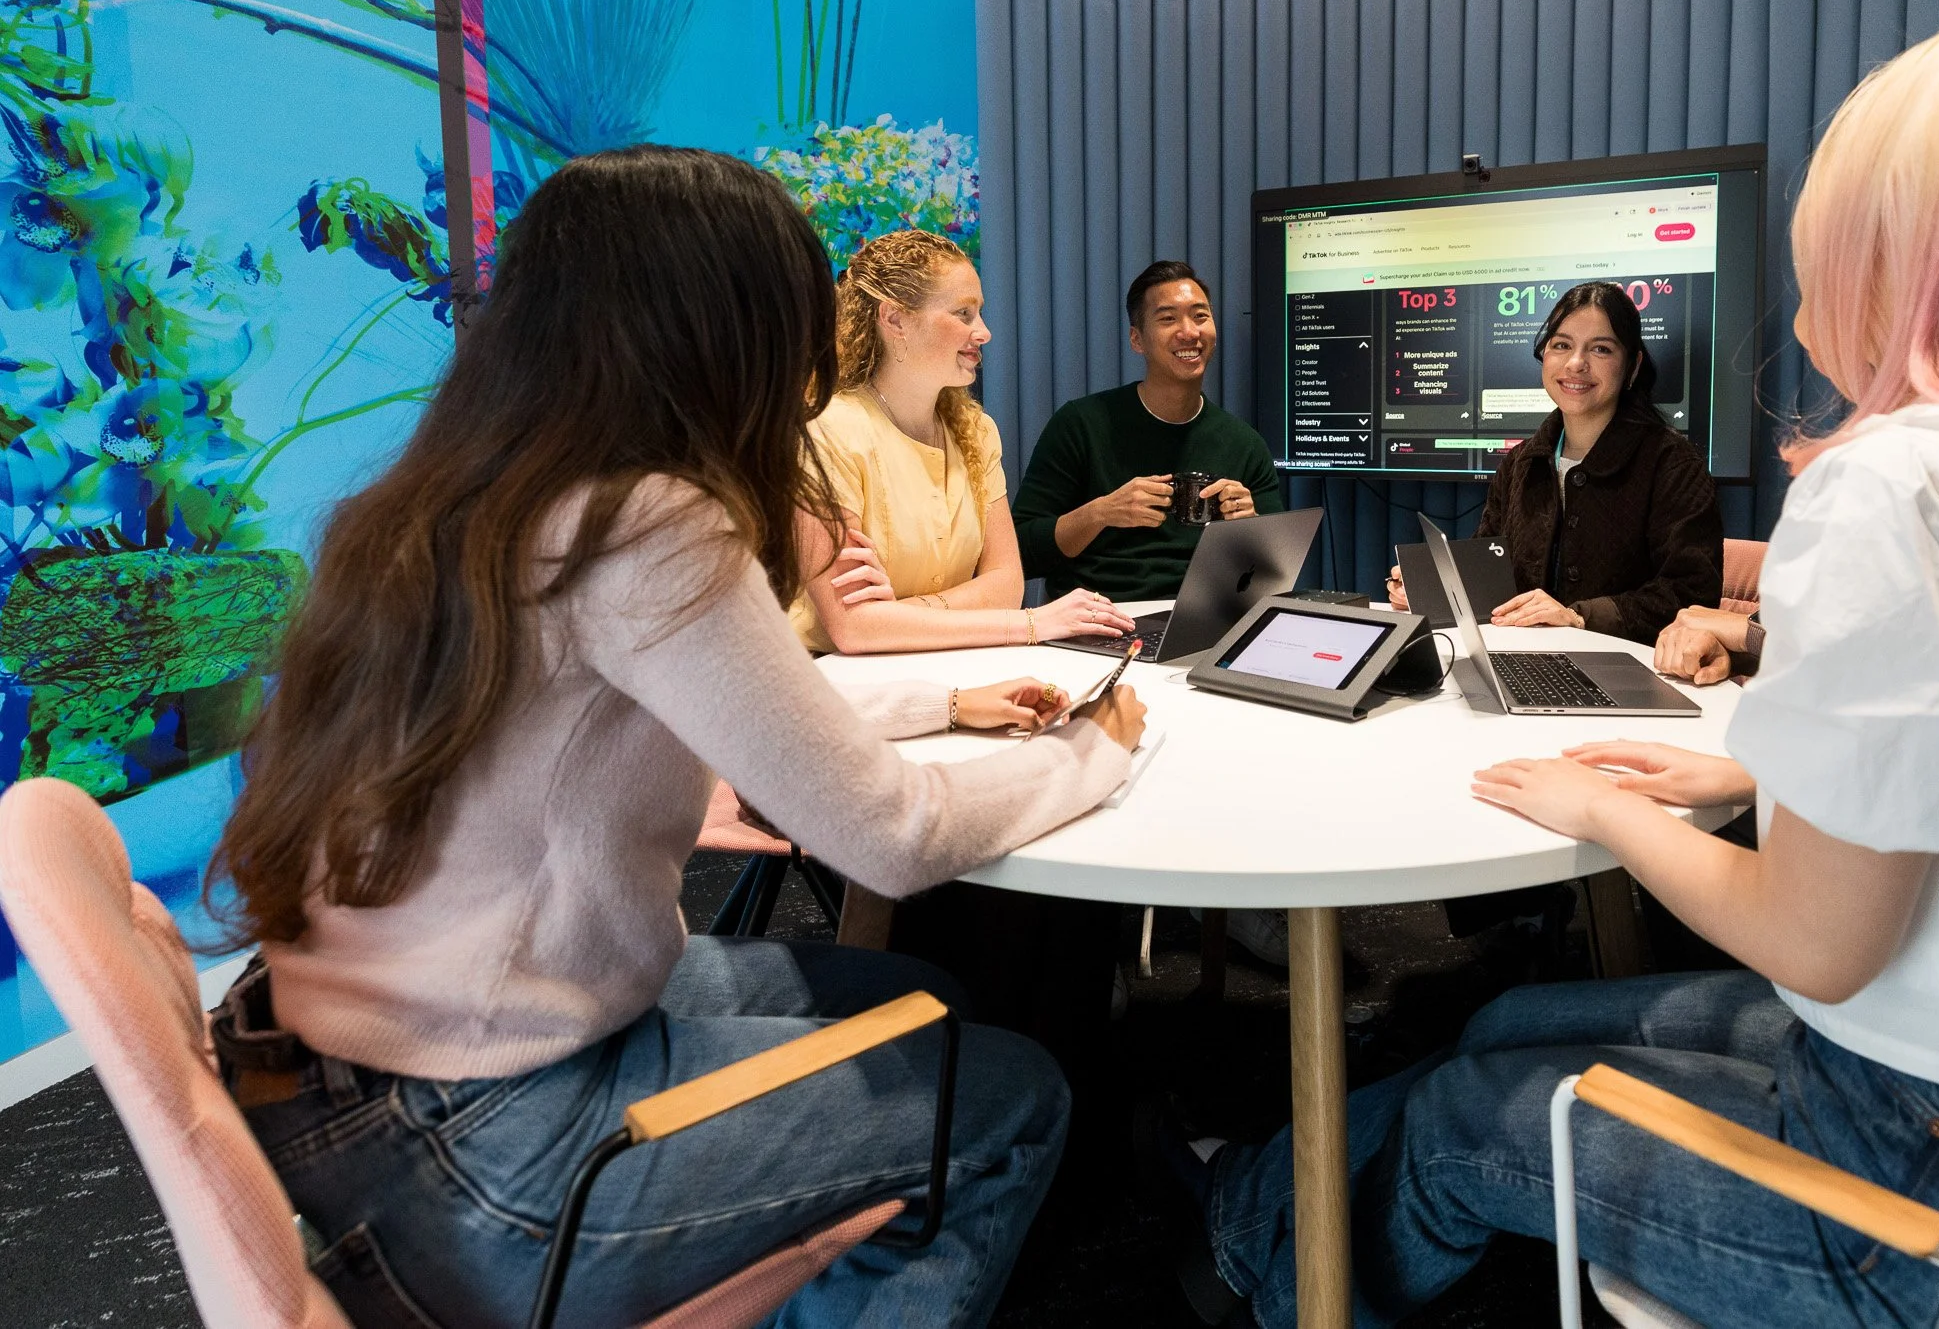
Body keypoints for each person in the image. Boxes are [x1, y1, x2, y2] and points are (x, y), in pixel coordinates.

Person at [1162, 6, 1939, 1328]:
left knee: (1471, 1112)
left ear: (1905, 259)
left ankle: (1256, 1255)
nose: (1801, 312)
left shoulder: (1902, 483)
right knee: (1513, 1013)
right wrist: (1750, 759)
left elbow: (1819, 940)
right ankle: (1281, 1189)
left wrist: (1605, 808)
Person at [207, 148, 1148, 1329]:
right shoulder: (646, 520)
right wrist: (1099, 744)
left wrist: (944, 704)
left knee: (918, 989)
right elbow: (895, 837)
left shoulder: (443, 499)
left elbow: (730, 710)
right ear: (732, 332)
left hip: (327, 1085)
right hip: (477, 1149)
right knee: (1010, 1096)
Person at [793, 227, 1134, 654]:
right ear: (895, 319)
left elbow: (1007, 585)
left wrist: (902, 612)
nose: (984, 332)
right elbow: (853, 629)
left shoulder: (975, 430)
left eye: (980, 313)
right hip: (834, 683)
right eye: (963, 314)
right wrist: (1030, 623)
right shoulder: (828, 430)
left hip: (951, 668)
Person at [1388, 279, 1720, 646]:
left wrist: (1578, 617)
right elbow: (1488, 570)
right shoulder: (1520, 463)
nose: (1576, 363)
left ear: (1632, 366)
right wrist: (1430, 585)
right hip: (1521, 660)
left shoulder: (1673, 464)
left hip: (1624, 671)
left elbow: (1692, 594)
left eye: (1601, 349)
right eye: (1562, 345)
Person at [1012, 260, 1284, 601]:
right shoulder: (1081, 425)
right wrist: (1101, 512)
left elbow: (1273, 574)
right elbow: (1020, 551)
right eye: (1168, 318)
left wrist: (1251, 524)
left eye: (1200, 316)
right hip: (1099, 617)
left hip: (1202, 616)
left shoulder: (1244, 445)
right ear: (1137, 339)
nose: (1189, 331)